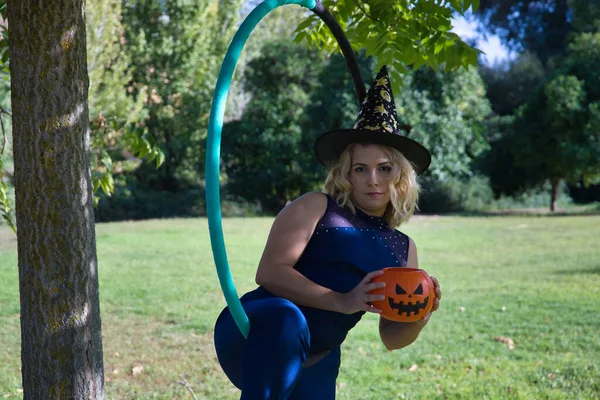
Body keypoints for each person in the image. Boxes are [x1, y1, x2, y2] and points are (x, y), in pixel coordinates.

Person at [213, 66, 442, 400]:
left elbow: (391, 337)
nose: (373, 180)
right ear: (345, 174)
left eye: (384, 169)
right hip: (257, 330)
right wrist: (342, 301)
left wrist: (421, 315)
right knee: (287, 317)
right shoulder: (317, 206)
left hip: (317, 357)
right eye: (360, 169)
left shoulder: (404, 249)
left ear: (401, 177)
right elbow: (270, 272)